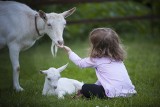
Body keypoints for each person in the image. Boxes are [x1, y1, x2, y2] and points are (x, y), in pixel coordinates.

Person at [59, 28, 137, 99]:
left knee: (85, 87)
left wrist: (69, 52)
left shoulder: (96, 59)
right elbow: (105, 79)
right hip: (129, 92)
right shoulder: (118, 59)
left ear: (96, 46)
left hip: (113, 94)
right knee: (91, 87)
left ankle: (84, 94)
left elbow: (80, 63)